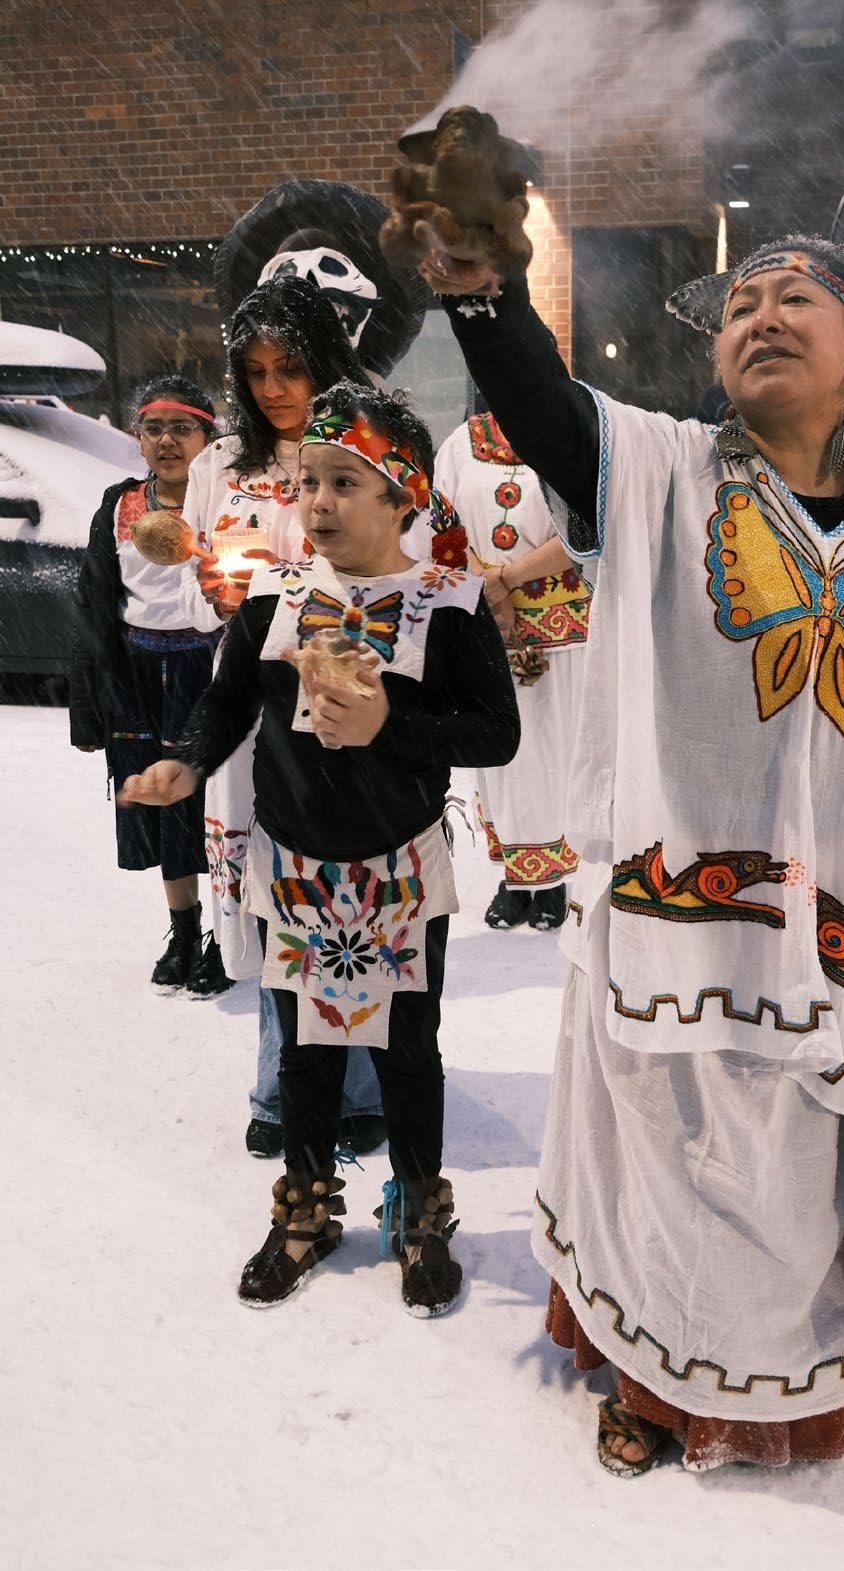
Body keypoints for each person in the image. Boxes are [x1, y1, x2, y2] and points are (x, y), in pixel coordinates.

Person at [419, 229, 844, 1474]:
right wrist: (482, 297)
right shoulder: (661, 469)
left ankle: (779, 1383)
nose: (762, 317)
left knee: (790, 1171)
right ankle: (644, 1375)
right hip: (659, 910)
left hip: (829, 920)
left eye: (798, 299)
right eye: (741, 304)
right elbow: (545, 406)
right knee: (654, 1156)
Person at [119, 381, 520, 1309]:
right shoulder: (273, 596)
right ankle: (303, 1207)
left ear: (403, 497)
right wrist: (185, 762)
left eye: (346, 482)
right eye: (309, 483)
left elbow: (493, 734)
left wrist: (392, 722)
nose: (320, 503)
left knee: (408, 1050)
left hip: (401, 869)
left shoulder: (449, 602)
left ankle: (421, 1210)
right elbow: (227, 703)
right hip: (293, 862)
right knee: (302, 1047)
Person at [179, 273, 386, 1157]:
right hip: (249, 712)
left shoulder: (368, 452)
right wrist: (216, 591)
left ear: (325, 364)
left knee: (354, 896)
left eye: (290, 366)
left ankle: (362, 1085)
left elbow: (398, 574)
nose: (272, 387)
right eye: (255, 369)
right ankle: (277, 1086)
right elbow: (198, 606)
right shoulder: (216, 467)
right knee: (273, 902)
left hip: (345, 703)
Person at [69, 373, 228, 993]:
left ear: (208, 438)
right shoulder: (117, 506)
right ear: (138, 438)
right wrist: (90, 707)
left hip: (208, 671)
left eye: (182, 427)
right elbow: (93, 605)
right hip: (137, 675)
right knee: (161, 807)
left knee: (217, 807)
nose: (167, 440)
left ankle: (229, 935)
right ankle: (184, 933)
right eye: (154, 428)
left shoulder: (225, 504)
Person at [433, 404, 590, 931]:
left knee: (556, 754)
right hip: (489, 621)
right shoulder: (461, 443)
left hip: (563, 629)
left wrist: (508, 577)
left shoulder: (567, 428)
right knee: (504, 760)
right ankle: (516, 879)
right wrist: (486, 585)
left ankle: (556, 883)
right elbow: (439, 522)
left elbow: (586, 525)